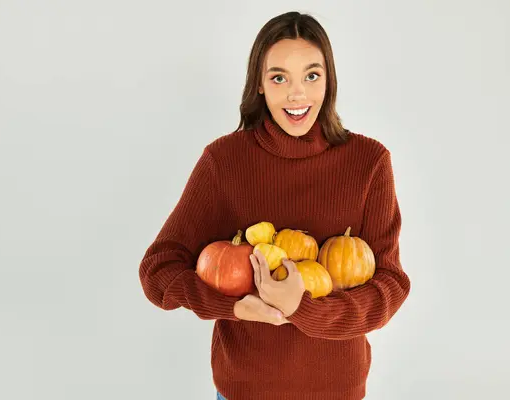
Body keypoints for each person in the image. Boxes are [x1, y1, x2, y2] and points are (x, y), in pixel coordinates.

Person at [138, 10, 411, 400]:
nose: (297, 94)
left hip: (338, 392)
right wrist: (234, 307)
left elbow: (391, 286)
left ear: (328, 80)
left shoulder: (368, 163)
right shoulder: (224, 161)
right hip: (244, 392)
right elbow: (157, 271)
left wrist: (303, 308)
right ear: (260, 85)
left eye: (311, 75)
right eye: (279, 77)